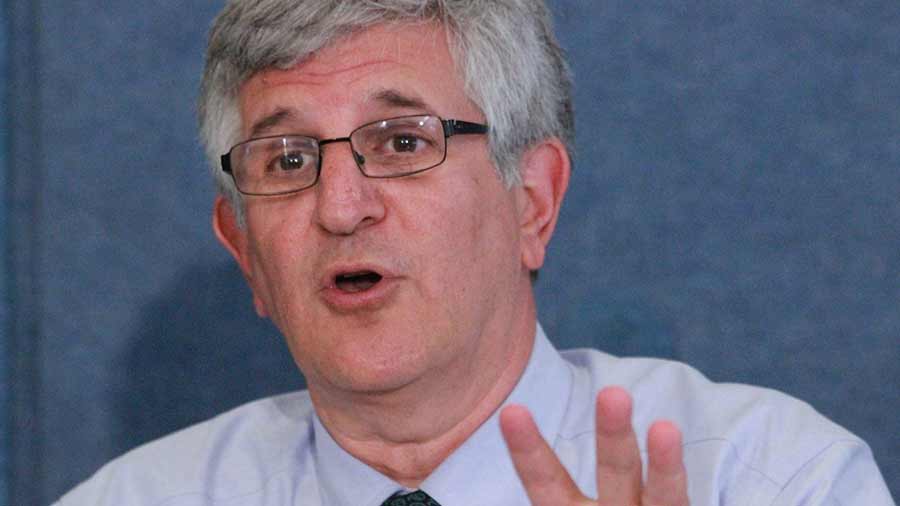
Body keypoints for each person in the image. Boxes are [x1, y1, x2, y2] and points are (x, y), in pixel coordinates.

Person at [56, 1, 893, 505]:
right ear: (245, 252)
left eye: (402, 141)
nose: (341, 207)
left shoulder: (774, 480)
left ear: (533, 201)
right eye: (287, 159)